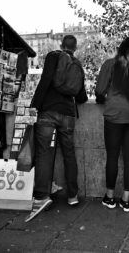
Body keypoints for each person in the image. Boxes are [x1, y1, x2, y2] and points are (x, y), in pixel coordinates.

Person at [25, 35, 83, 222]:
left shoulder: (53, 56)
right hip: (67, 114)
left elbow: (46, 80)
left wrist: (35, 105)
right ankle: (73, 196)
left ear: (61, 44)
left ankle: (42, 196)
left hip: (49, 112)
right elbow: (81, 95)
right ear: (75, 47)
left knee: (44, 153)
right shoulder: (77, 64)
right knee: (69, 153)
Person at [95, 37, 129, 212]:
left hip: (113, 114)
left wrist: (102, 99)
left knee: (112, 156)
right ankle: (126, 200)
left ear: (119, 49)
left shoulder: (110, 64)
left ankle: (110, 197)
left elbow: (99, 90)